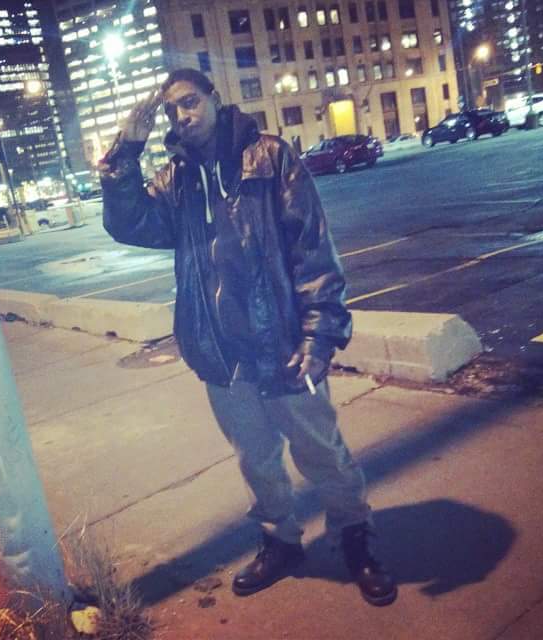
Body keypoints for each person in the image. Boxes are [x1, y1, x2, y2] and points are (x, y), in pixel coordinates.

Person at [100, 67, 397, 606]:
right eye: (171, 110)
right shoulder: (176, 180)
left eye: (190, 102)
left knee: (322, 451)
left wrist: (317, 338)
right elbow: (131, 224)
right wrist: (126, 154)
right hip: (221, 353)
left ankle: (356, 537)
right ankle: (280, 541)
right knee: (255, 458)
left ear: (215, 99)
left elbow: (313, 250)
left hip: (284, 344)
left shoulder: (271, 157)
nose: (182, 116)